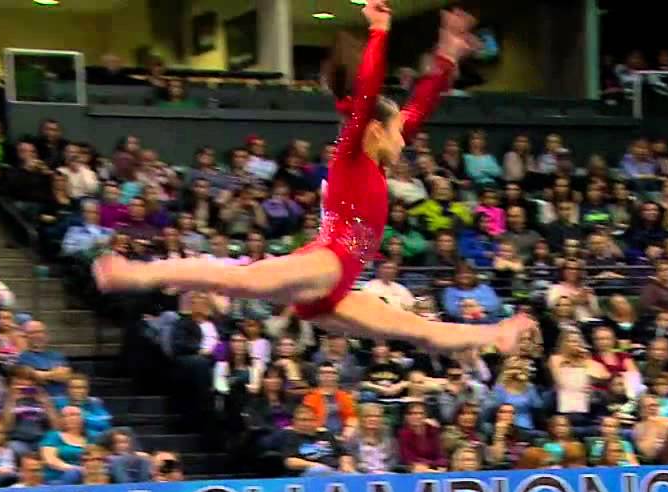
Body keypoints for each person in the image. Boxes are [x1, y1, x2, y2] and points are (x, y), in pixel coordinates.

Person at [95, 5, 497, 353]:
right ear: (375, 129)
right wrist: (378, 30)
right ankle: (136, 274)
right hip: (327, 263)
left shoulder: (374, 160)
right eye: (398, 132)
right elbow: (367, 92)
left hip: (338, 286)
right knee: (239, 280)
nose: (405, 139)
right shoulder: (352, 156)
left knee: (416, 330)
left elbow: (420, 105)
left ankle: (499, 334)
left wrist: (447, 55)